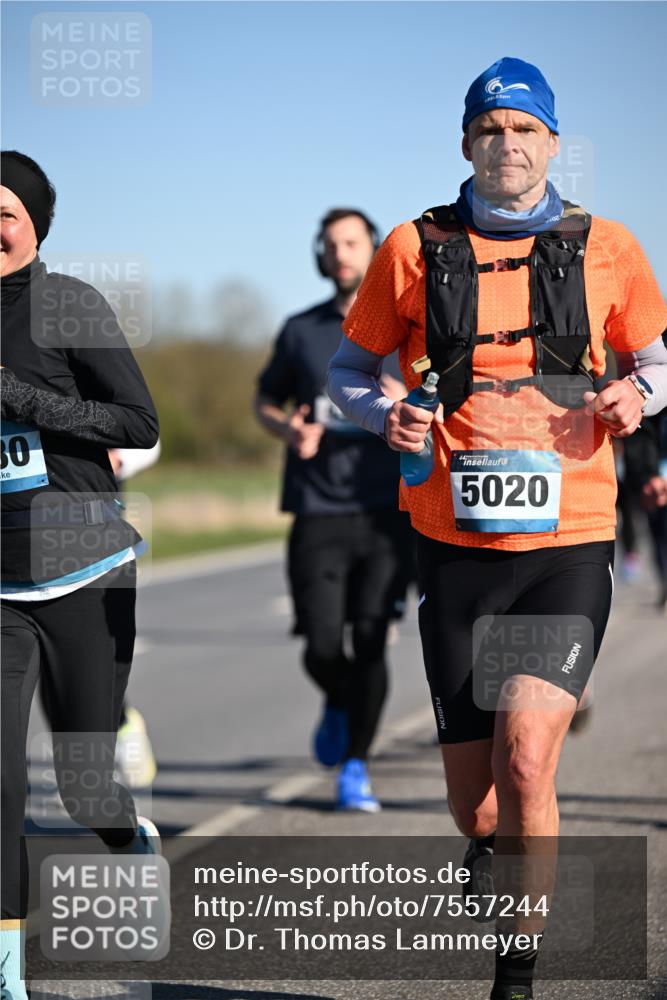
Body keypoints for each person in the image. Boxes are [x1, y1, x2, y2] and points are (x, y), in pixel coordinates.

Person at [327, 58, 667, 1000]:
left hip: (569, 542)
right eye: (489, 128)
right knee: (474, 806)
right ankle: (486, 849)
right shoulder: (411, 247)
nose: (505, 144)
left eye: (523, 129)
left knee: (526, 758)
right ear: (465, 143)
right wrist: (384, 416)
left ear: (552, 143)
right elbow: (348, 373)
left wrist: (637, 397)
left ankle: (514, 976)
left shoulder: (608, 247)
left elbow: (656, 360)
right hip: (452, 547)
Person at [0, 151, 163, 999]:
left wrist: (25, 400)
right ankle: (7, 975)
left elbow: (138, 421)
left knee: (84, 785)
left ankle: (126, 836)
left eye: (3, 213)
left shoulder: (68, 302)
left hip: (83, 568)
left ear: (34, 224)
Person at [254, 208, 412, 813]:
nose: (339, 253)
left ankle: (355, 767)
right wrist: (287, 430)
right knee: (322, 647)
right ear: (319, 255)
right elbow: (265, 399)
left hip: (387, 512)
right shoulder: (301, 331)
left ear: (374, 252)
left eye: (351, 242)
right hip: (317, 509)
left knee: (370, 640)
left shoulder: (408, 329)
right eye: (330, 244)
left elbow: (452, 402)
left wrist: (407, 400)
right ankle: (342, 701)